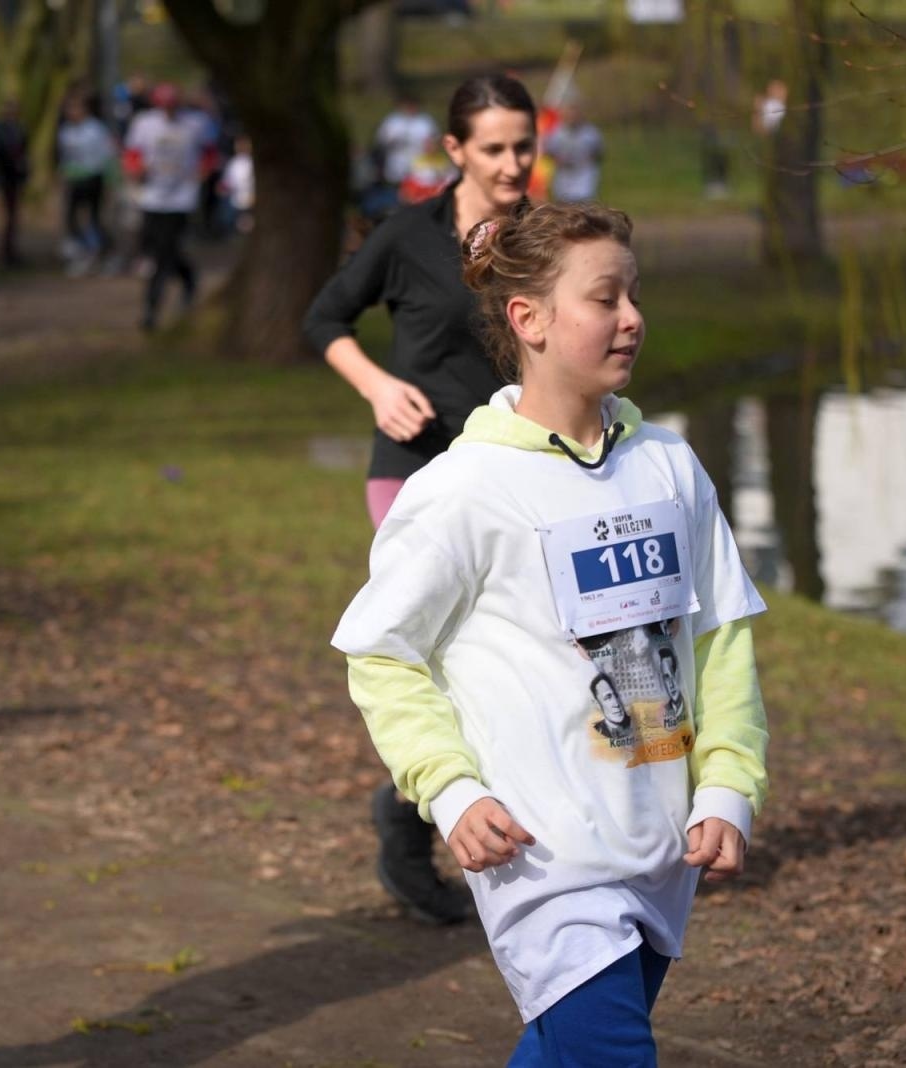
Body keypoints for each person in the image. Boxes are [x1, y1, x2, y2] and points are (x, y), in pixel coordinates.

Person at [332, 201, 769, 1064]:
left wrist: (727, 783)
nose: (632, 317)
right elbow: (382, 655)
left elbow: (720, 639)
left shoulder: (669, 466)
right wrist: (452, 790)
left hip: (662, 847)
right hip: (544, 859)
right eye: (605, 299)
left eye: (634, 295)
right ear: (528, 320)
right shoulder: (465, 487)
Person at [303, 73, 540, 926]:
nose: (512, 164)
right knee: (447, 657)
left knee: (508, 658)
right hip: (412, 475)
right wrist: (377, 387)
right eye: (493, 148)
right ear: (454, 150)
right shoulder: (408, 235)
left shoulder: (545, 241)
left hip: (511, 474)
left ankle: (431, 815)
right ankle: (415, 826)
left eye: (524, 145)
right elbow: (324, 320)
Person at [123, 81, 213, 331]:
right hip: (152, 196)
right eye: (164, 106)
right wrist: (135, 170)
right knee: (159, 248)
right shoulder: (144, 123)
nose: (168, 111)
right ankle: (188, 279)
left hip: (181, 198)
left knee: (162, 254)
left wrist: (203, 173)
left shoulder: (196, 123)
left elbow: (209, 152)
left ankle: (151, 310)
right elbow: (132, 153)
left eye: (172, 106)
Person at [56, 90, 117, 275]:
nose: (71, 112)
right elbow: (65, 157)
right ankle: (83, 253)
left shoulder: (95, 129)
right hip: (74, 179)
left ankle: (107, 254)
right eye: (69, 108)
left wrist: (110, 180)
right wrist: (63, 175)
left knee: (94, 218)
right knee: (71, 218)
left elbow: (107, 155)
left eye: (75, 108)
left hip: (93, 178)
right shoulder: (66, 131)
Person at [374, 91, 440, 209]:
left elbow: (433, 141)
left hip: (420, 165)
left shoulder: (425, 121)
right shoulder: (392, 121)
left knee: (417, 193)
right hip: (396, 164)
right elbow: (381, 141)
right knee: (397, 193)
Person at [0, 97, 30, 269]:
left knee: (13, 217)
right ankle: (4, 253)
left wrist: (24, 174)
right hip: (4, 179)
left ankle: (10, 252)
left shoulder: (19, 129)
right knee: (6, 217)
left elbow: (24, 153)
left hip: (15, 179)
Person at [544, 101, 604, 203]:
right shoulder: (557, 132)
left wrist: (588, 160)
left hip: (584, 181)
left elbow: (599, 152)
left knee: (584, 208)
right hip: (563, 182)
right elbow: (548, 151)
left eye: (574, 113)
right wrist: (557, 159)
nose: (572, 116)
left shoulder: (590, 133)